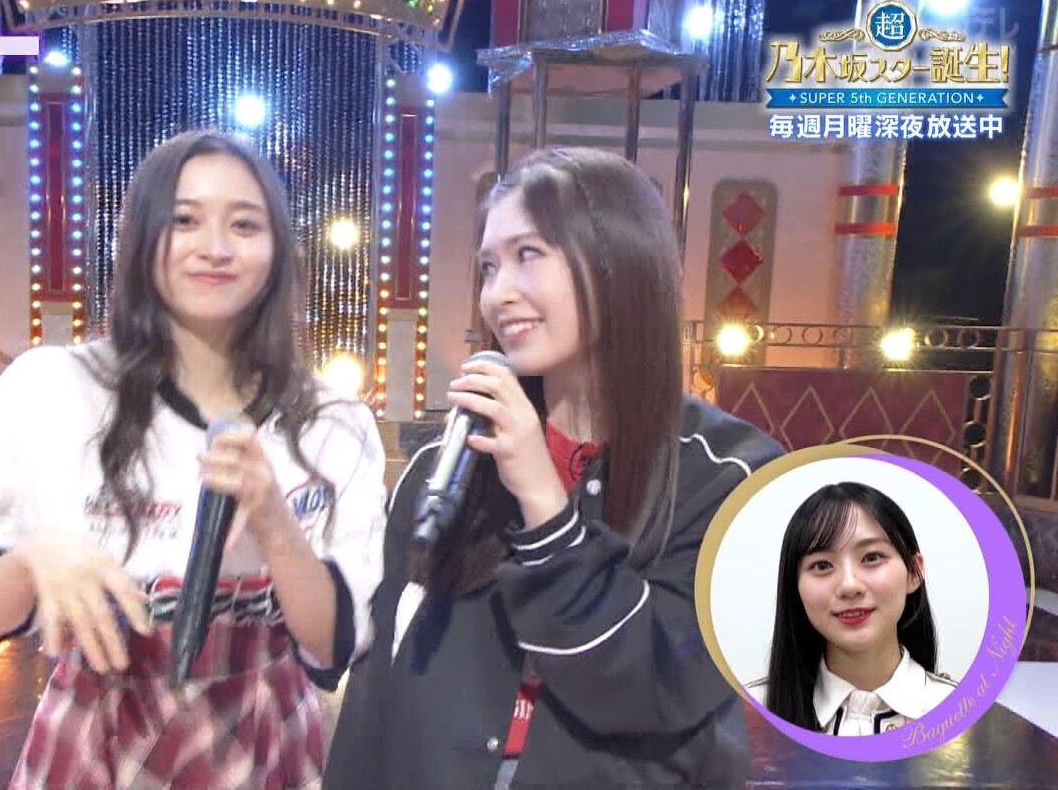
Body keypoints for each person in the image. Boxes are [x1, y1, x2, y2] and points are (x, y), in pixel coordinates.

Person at [0, 129, 387, 790]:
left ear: (280, 250)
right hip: (98, 737)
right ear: (138, 239)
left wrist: (275, 523)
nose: (215, 247)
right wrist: (31, 560)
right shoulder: (52, 390)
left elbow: (333, 644)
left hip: (264, 738)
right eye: (184, 220)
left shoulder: (333, 422)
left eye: (245, 225)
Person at [325, 147, 785, 790]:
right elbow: (374, 704)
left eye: (528, 255)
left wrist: (543, 499)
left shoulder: (733, 478)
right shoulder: (446, 464)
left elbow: (648, 688)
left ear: (619, 262)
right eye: (489, 267)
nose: (499, 294)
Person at [745, 481, 955, 736]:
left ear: (914, 572)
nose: (849, 585)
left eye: (872, 557)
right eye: (822, 565)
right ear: (795, 587)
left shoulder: (964, 711)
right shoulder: (748, 714)